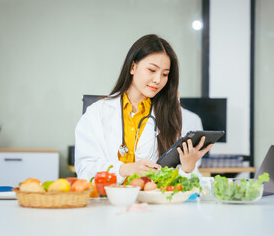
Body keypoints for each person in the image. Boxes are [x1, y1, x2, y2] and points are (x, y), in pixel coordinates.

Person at [75, 34, 213, 184]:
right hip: (107, 203)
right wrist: (125, 169)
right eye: (152, 70)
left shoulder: (173, 117)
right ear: (133, 67)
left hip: (152, 204)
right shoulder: (97, 112)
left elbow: (179, 186)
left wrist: (187, 169)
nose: (158, 80)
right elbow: (85, 170)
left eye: (165, 74)